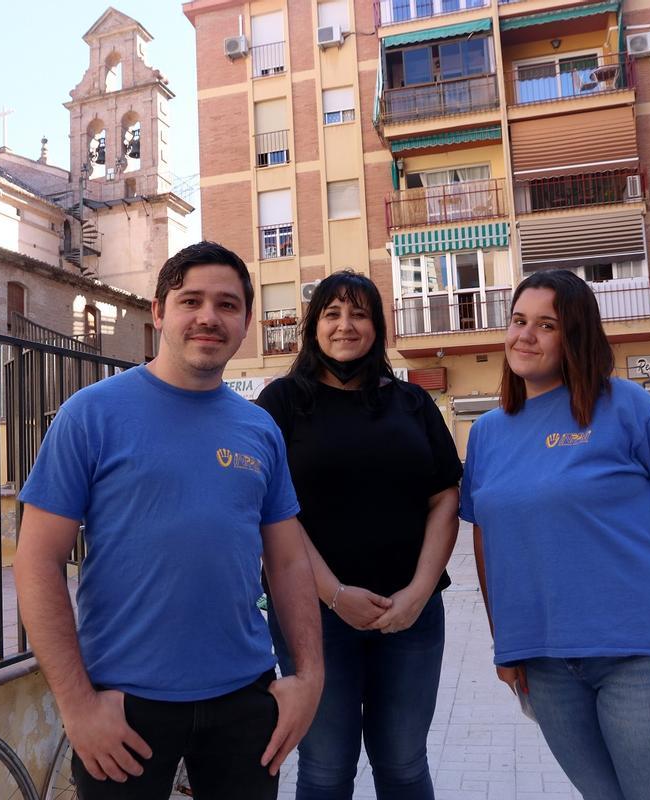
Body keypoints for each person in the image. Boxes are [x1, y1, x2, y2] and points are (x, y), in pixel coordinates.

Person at [14, 241, 323, 800]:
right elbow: (37, 560)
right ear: (159, 312)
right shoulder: (91, 415)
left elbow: (287, 558)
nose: (209, 316)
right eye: (191, 300)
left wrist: (309, 678)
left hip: (245, 701)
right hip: (123, 710)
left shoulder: (260, 430)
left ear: (246, 322)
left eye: (228, 305)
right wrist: (77, 707)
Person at [459, 269, 650, 800]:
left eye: (547, 325)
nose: (526, 336)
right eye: (519, 321)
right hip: (547, 663)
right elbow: (485, 540)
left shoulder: (629, 405)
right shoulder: (487, 434)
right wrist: (506, 643)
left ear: (576, 336)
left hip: (647, 651)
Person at [255, 270, 462, 800]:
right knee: (325, 767)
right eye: (332, 314)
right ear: (313, 327)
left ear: (377, 327)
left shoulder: (411, 404)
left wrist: (418, 592)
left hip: (410, 618)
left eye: (359, 314)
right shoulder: (280, 404)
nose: (345, 326)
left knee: (404, 763)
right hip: (313, 617)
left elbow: (444, 498)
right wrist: (336, 595)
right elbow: (274, 514)